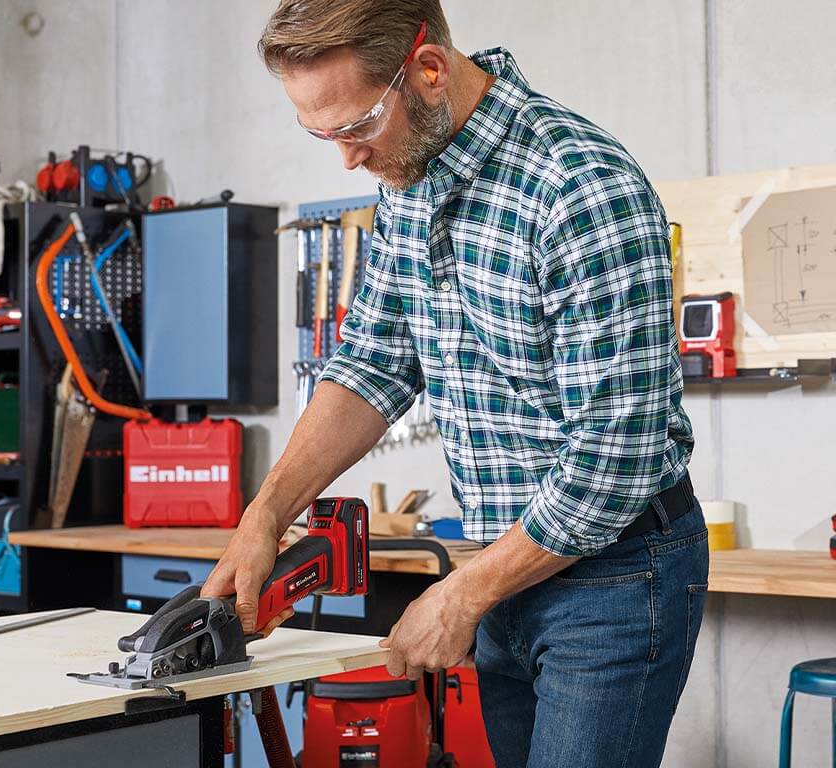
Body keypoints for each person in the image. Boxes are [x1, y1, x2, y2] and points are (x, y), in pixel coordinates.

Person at [202, 2, 708, 765]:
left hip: (615, 573)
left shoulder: (579, 188)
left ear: (428, 71)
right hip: (504, 565)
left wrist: (463, 596)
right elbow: (372, 362)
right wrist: (266, 514)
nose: (345, 159)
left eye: (356, 126)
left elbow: (612, 464)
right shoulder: (407, 179)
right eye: (322, 132)